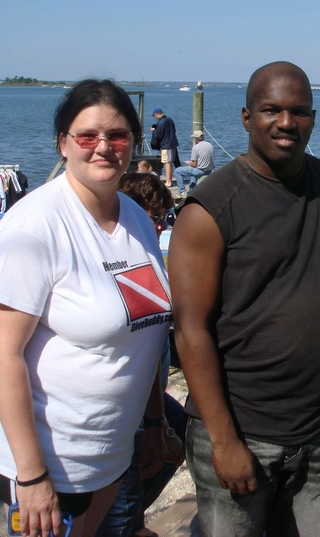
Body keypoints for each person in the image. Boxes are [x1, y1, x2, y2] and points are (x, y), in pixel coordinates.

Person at [0, 79, 173, 537]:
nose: (103, 147)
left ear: (133, 144)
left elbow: (143, 332)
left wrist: (156, 422)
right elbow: (2, 354)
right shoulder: (34, 225)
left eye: (117, 136)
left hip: (110, 450)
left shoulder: (137, 218)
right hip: (49, 457)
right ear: (63, 143)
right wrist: (32, 476)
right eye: (87, 136)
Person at [168, 61, 320, 537]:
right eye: (271, 109)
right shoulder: (210, 208)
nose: (286, 122)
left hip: (319, 428)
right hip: (243, 428)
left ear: (313, 117)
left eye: (299, 111)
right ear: (246, 117)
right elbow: (190, 330)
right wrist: (224, 440)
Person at [97, 172, 184, 537]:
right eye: (153, 216)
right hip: (122, 403)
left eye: (164, 217)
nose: (160, 225)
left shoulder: (148, 252)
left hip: (151, 391)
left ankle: (129, 515)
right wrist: (152, 422)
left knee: (181, 433)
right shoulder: (113, 256)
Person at [173, 129, 215, 197]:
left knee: (178, 171)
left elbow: (194, 164)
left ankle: (182, 191)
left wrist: (188, 163)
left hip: (200, 170)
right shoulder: (210, 145)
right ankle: (192, 190)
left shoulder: (196, 147)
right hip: (209, 170)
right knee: (192, 173)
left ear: (196, 139)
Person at [151, 107, 180, 187]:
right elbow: (174, 131)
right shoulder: (170, 120)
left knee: (166, 162)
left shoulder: (161, 123)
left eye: (154, 115)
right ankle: (169, 180)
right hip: (173, 143)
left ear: (157, 114)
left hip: (166, 145)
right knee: (170, 162)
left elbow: (158, 135)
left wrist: (153, 131)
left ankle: (168, 181)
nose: (154, 117)